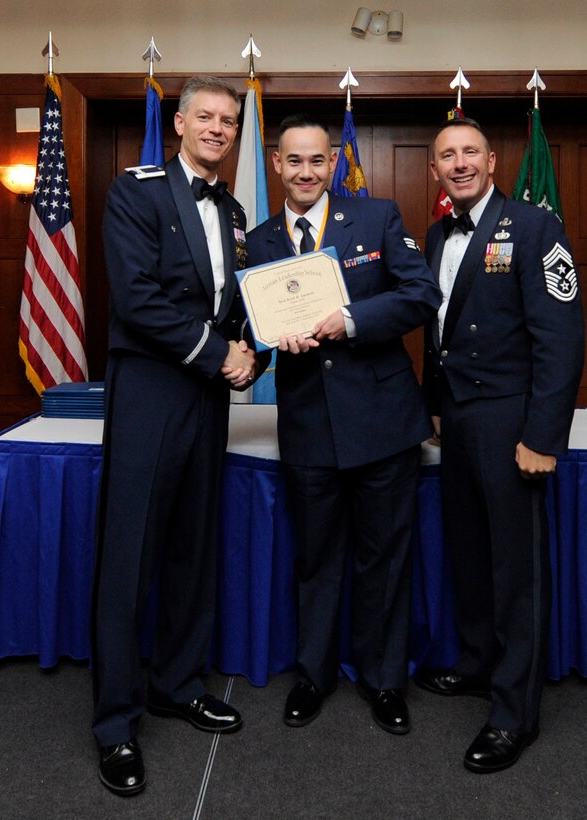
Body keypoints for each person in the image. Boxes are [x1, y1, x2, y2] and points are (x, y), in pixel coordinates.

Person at [92, 75, 267, 796]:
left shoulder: (230, 208)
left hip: (206, 397)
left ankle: (176, 682)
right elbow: (136, 300)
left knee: (194, 545)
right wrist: (217, 352)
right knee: (130, 553)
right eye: (207, 116)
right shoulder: (134, 191)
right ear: (179, 122)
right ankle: (114, 723)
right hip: (152, 390)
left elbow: (232, 303)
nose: (219, 129)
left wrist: (252, 345)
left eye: (229, 120)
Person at [243, 113, 441, 736]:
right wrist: (264, 341)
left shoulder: (377, 218)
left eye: (317, 161)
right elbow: (253, 326)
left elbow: (421, 294)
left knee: (383, 558)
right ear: (277, 164)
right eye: (293, 161)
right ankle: (313, 676)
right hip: (306, 426)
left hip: (383, 424)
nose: (306, 171)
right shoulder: (261, 238)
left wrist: (349, 320)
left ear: (333, 165)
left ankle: (385, 682)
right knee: (317, 558)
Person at [417, 117, 585, 773]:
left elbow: (561, 340)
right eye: (446, 156)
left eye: (468, 153)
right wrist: (433, 405)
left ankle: (513, 713)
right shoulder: (434, 233)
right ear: (434, 171)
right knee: (469, 551)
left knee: (514, 569)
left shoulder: (536, 229)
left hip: (511, 423)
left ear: (491, 161)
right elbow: (440, 331)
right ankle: (479, 664)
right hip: (458, 420)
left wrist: (542, 435)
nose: (458, 164)